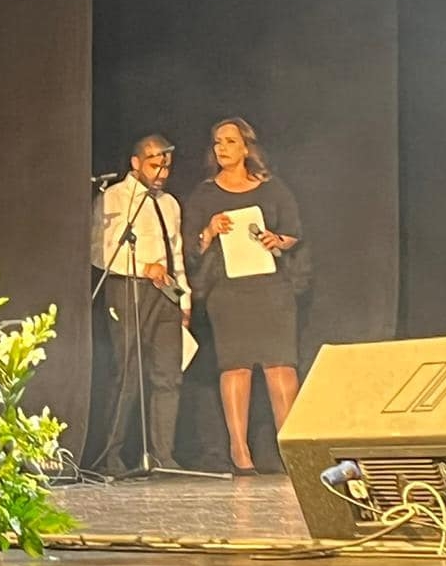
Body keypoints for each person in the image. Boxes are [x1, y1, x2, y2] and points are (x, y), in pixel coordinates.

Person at [182, 118, 303, 475]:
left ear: (246, 147)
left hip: (272, 289)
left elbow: (294, 232)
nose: (222, 148)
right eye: (217, 142)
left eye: (230, 141)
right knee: (236, 366)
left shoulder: (271, 188)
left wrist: (277, 240)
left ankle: (291, 449)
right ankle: (240, 451)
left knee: (280, 365)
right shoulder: (205, 194)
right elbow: (189, 247)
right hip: (228, 292)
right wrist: (209, 230)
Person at [89, 134, 192, 475]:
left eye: (166, 167)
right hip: (128, 288)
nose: (162, 173)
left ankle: (163, 456)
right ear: (136, 163)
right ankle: (111, 456)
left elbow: (176, 252)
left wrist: (185, 298)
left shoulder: (170, 203)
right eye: (155, 165)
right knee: (128, 371)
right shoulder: (115, 197)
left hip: (166, 293)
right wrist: (143, 268)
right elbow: (99, 252)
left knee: (168, 375)